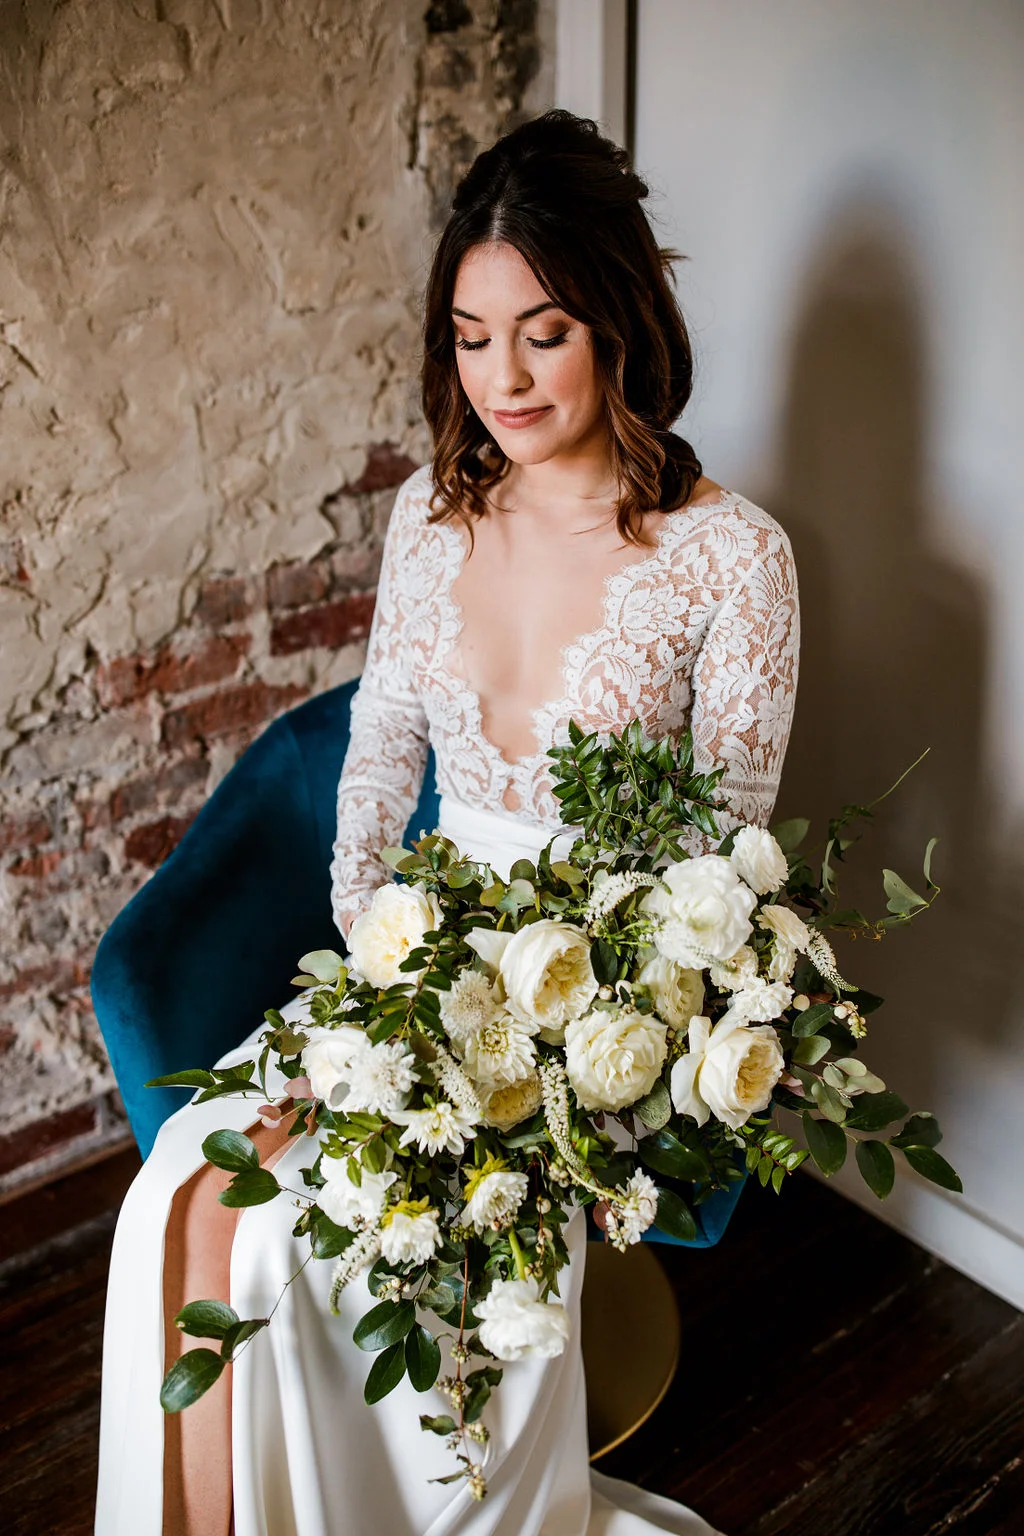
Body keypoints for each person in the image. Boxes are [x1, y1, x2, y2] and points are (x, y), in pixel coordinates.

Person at [95, 109, 799, 1535]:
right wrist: (371, 937)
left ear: (616, 315)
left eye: (542, 331)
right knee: (184, 1199)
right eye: (473, 338)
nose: (505, 378)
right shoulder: (432, 509)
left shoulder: (736, 558)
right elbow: (381, 750)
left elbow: (719, 853)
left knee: (331, 1246)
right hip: (410, 952)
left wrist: (574, 1035)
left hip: (584, 1003)